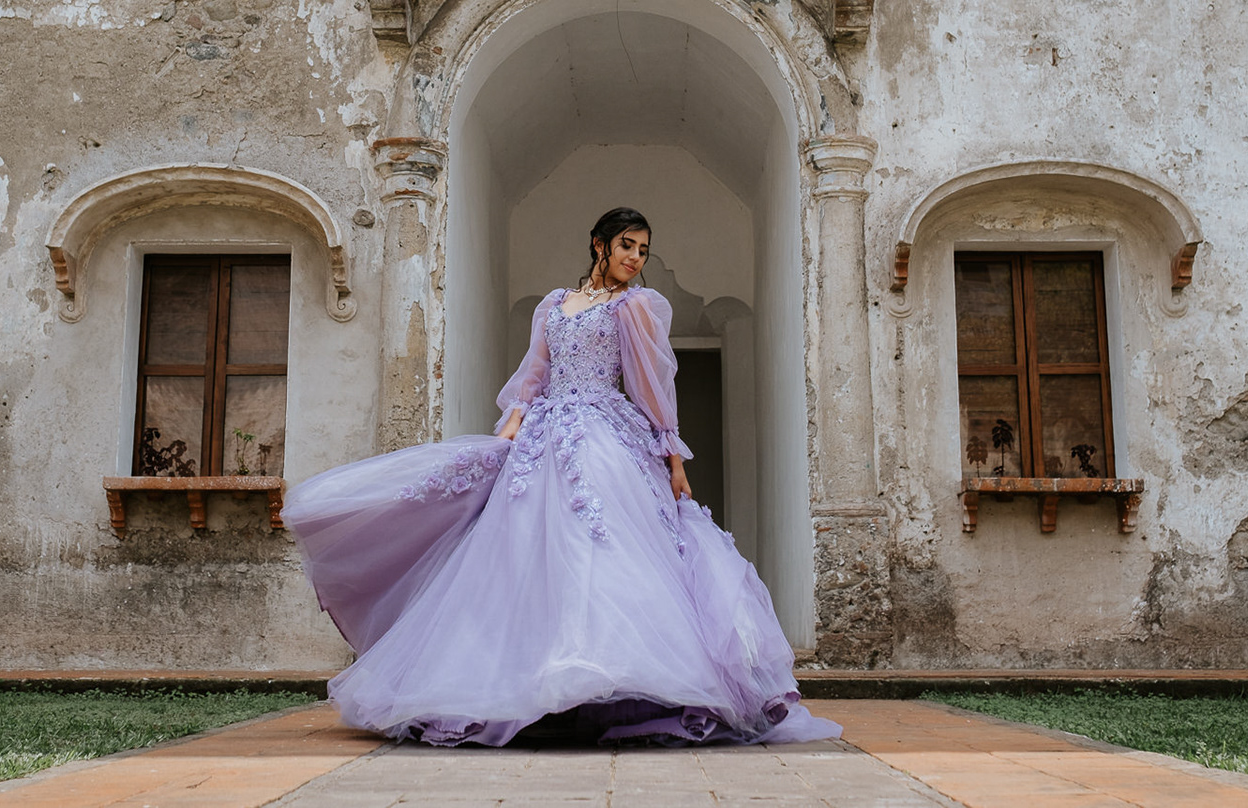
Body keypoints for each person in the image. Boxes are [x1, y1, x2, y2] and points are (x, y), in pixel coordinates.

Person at [282, 207, 840, 747]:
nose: (635, 257)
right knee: (522, 551)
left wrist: (673, 458)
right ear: (600, 244)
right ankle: (526, 684)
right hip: (542, 437)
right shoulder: (553, 304)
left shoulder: (635, 306)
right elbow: (534, 375)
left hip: (604, 434)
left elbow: (652, 387)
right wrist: (506, 435)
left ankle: (616, 683)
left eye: (643, 250)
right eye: (626, 245)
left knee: (601, 546)